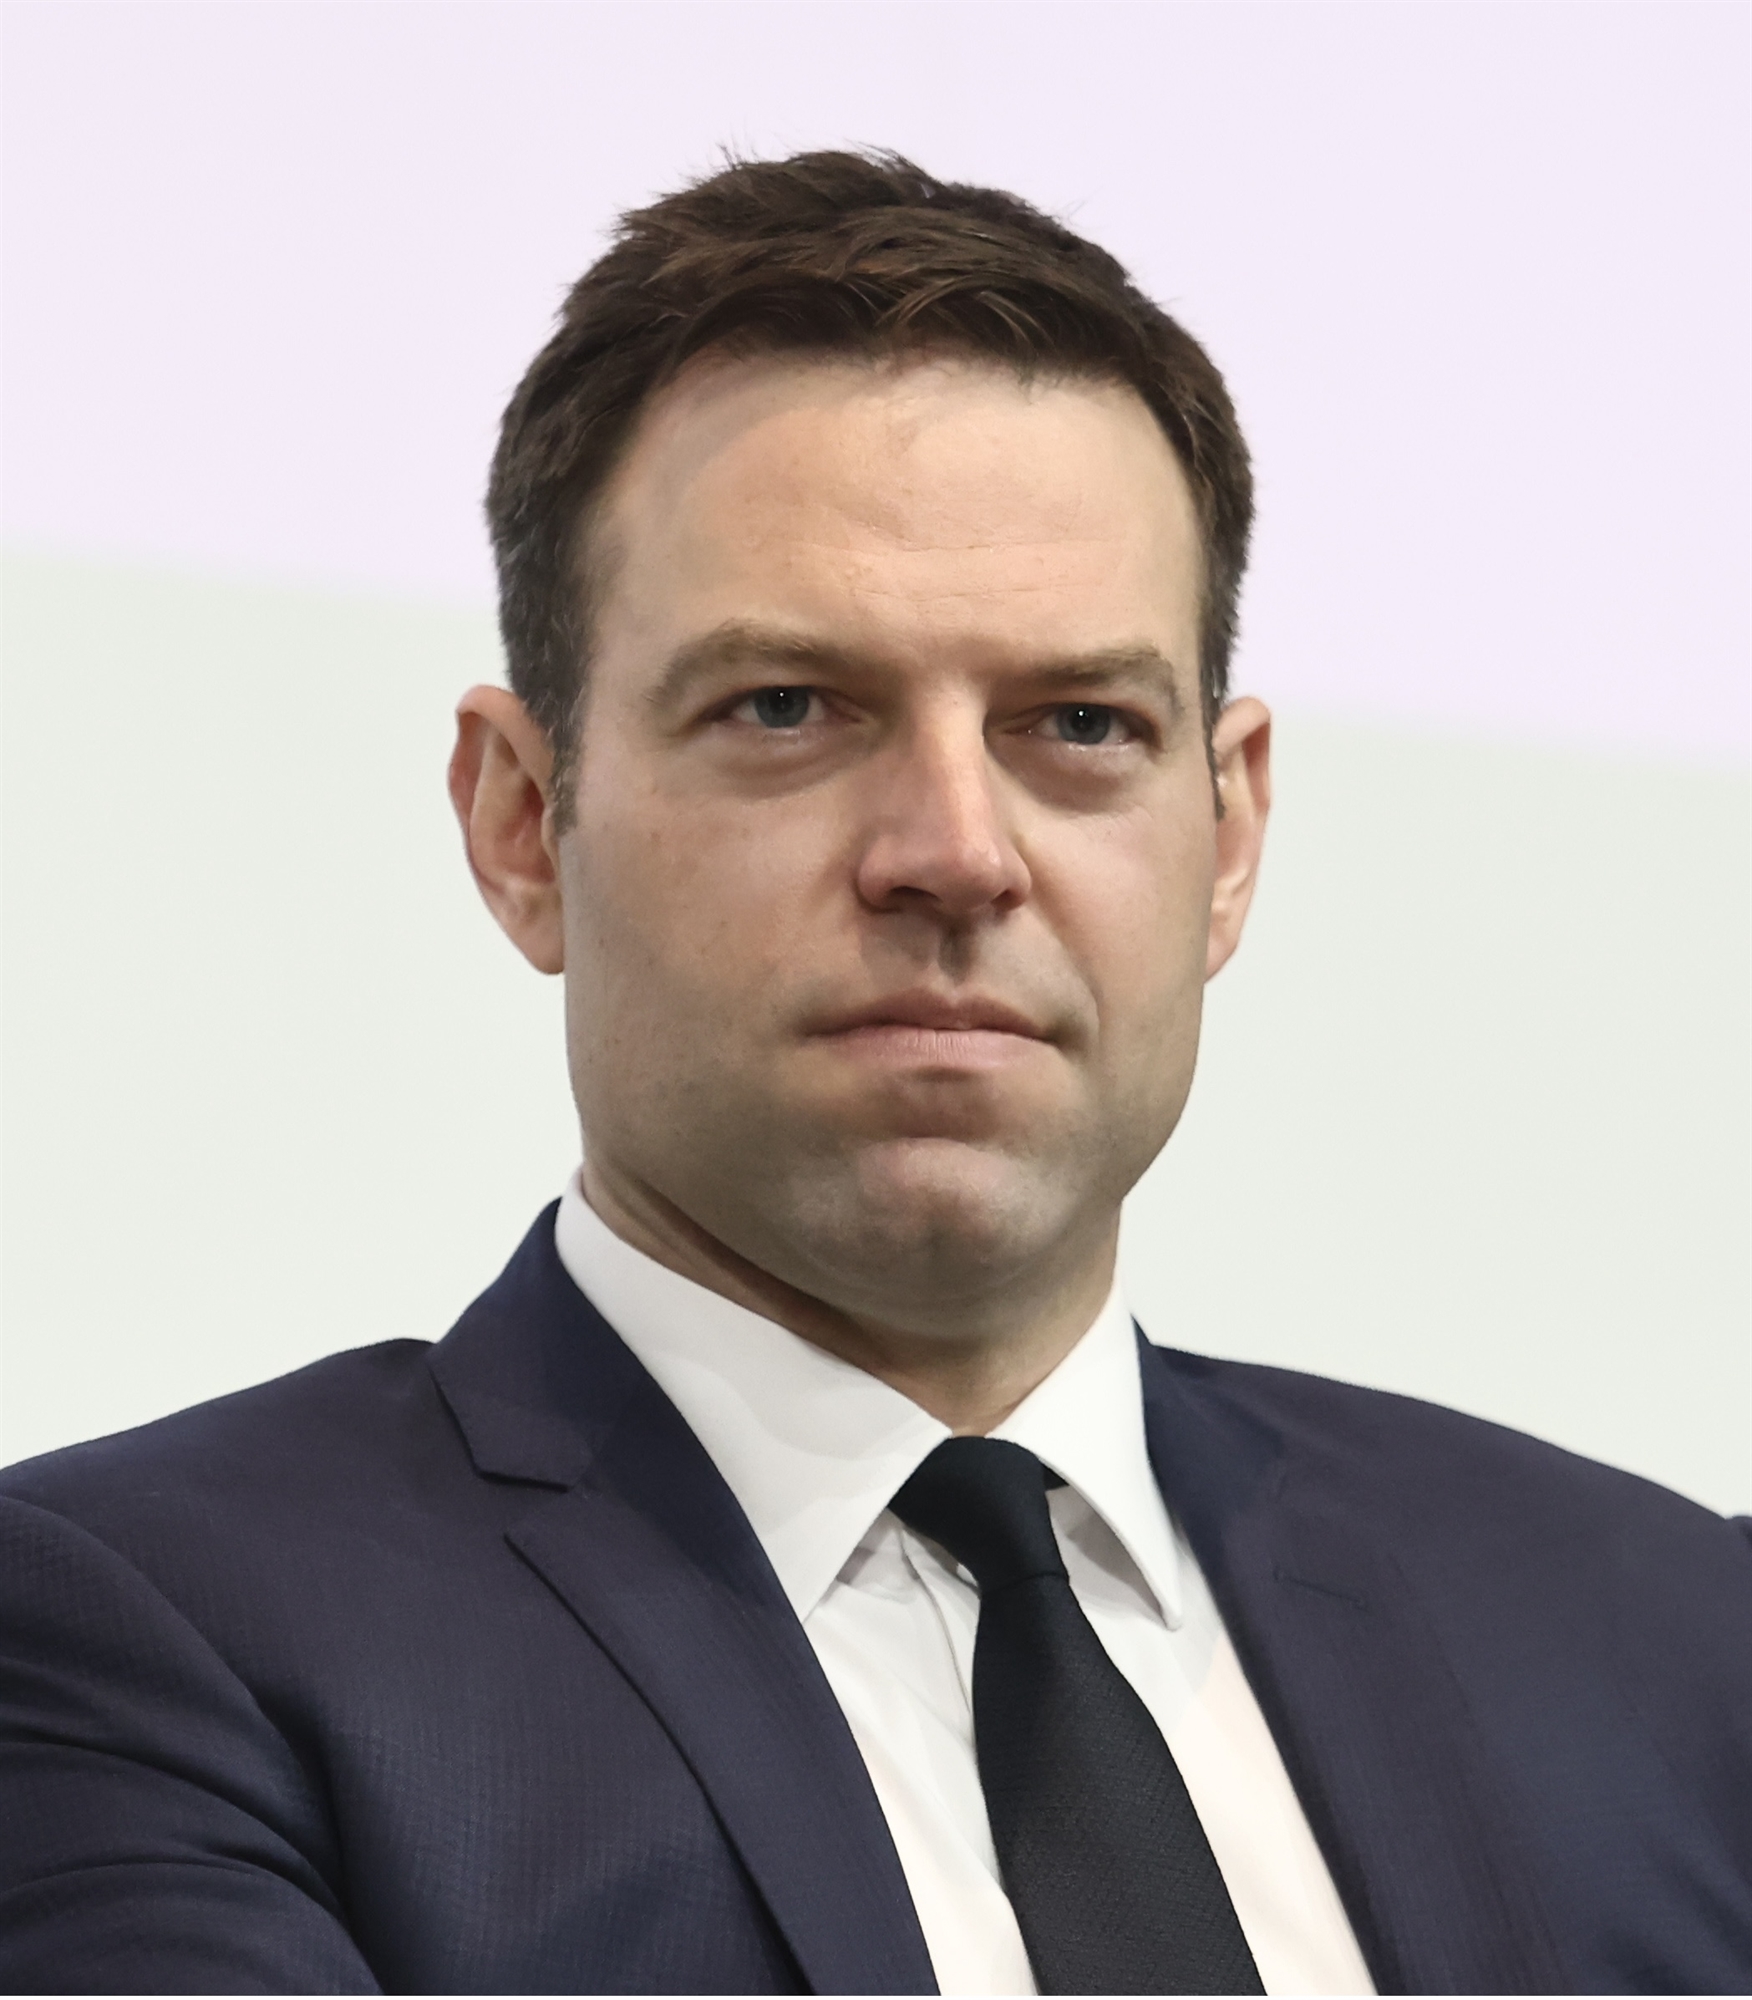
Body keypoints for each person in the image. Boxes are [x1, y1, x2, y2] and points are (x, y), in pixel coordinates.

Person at [1, 149, 1748, 1999]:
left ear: (1228, 836)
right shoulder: (137, 1645)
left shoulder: (1676, 1642)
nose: (956, 852)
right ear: (522, 822)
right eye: (787, 709)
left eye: (1081, 724)